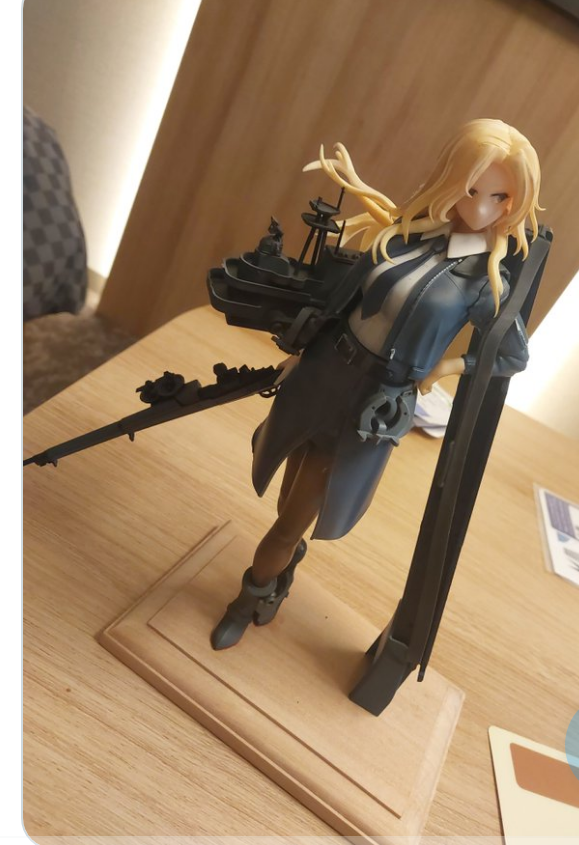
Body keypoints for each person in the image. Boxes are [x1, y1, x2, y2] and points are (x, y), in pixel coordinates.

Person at [211, 118, 542, 648]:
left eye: (499, 197)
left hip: (370, 403)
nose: (482, 207)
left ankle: (248, 598)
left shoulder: (485, 283)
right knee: (286, 492)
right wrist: (301, 351)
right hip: (324, 372)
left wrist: (446, 368)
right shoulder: (406, 238)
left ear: (515, 202)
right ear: (450, 181)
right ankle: (280, 576)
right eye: (471, 189)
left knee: (288, 523)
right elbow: (343, 303)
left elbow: (511, 354)